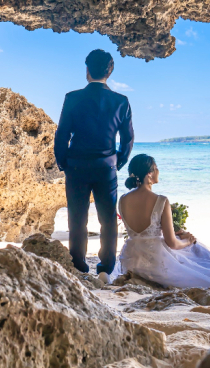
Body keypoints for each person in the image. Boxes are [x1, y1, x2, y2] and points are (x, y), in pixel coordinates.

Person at [113, 154, 210, 289]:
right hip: (155, 260)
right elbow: (172, 243)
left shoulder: (123, 199)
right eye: (156, 168)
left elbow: (142, 231)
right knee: (196, 248)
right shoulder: (161, 200)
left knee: (185, 246)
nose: (158, 171)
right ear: (149, 174)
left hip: (130, 259)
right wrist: (189, 240)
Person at [54, 49, 134, 279]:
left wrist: (63, 163)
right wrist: (117, 162)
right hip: (106, 167)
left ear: (87, 71)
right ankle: (106, 268)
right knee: (108, 219)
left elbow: (62, 135)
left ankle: (78, 265)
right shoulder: (121, 101)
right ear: (110, 71)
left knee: (77, 218)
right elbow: (127, 139)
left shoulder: (72, 97)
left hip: (76, 166)